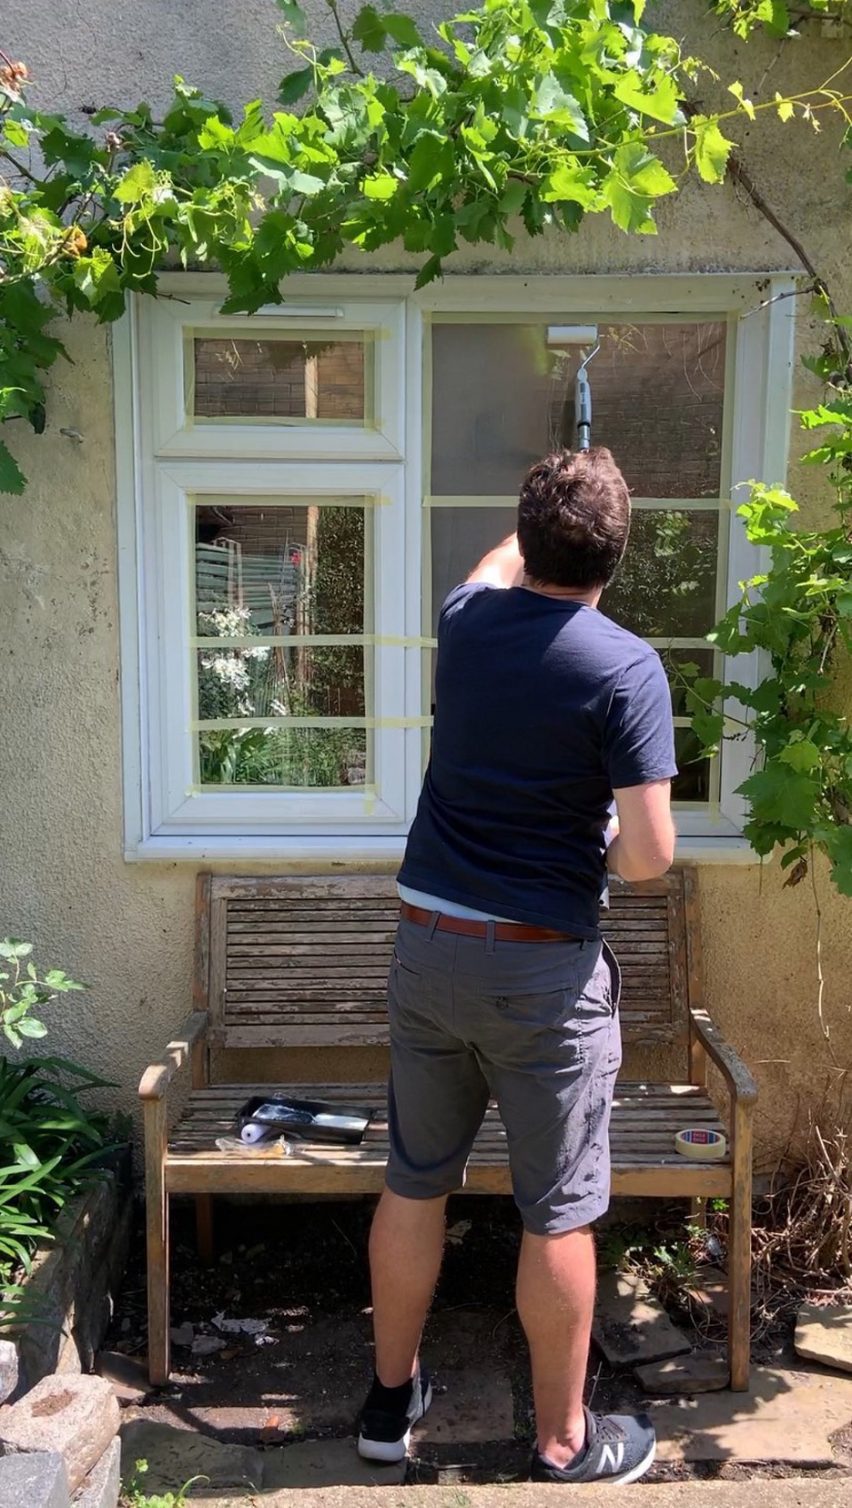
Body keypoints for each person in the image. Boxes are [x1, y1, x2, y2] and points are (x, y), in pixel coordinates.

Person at [357, 448, 677, 1486]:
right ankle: (562, 1441)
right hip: (541, 974)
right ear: (616, 558)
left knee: (415, 1182)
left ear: (527, 539)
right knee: (560, 1206)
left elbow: (495, 563)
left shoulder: (467, 622)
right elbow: (649, 853)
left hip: (429, 946)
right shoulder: (624, 666)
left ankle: (386, 1404)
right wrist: (593, 851)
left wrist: (544, 502)